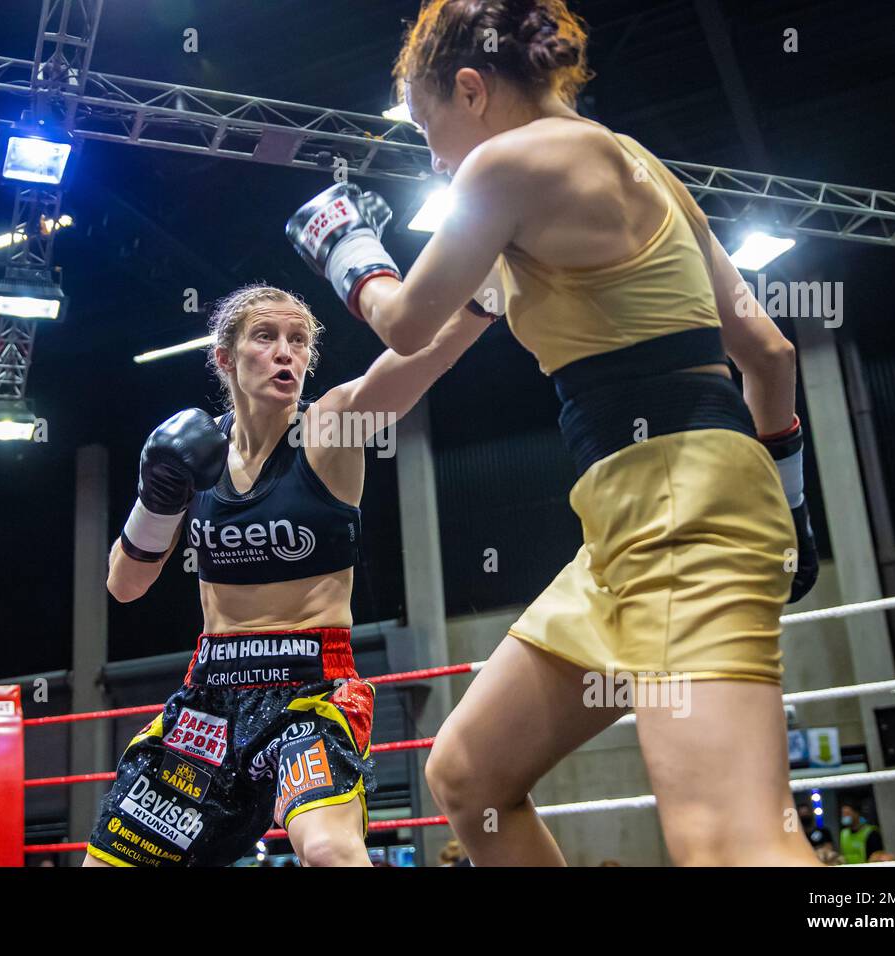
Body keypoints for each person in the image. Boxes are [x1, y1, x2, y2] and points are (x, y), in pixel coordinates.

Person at [285, 0, 820, 866]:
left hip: (683, 510)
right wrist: (790, 509)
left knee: (730, 841)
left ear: (471, 89)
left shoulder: (506, 165)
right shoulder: (632, 170)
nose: (435, 158)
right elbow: (768, 353)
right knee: (469, 775)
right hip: (631, 524)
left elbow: (404, 320)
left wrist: (345, 244)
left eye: (427, 127)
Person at [84, 283, 489, 867]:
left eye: (299, 341)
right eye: (266, 337)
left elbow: (412, 367)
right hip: (210, 699)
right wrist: (157, 497)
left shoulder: (329, 428)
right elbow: (125, 586)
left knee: (327, 849)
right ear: (225, 357)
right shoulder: (195, 455)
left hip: (310, 688)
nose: (285, 353)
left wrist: (482, 302)